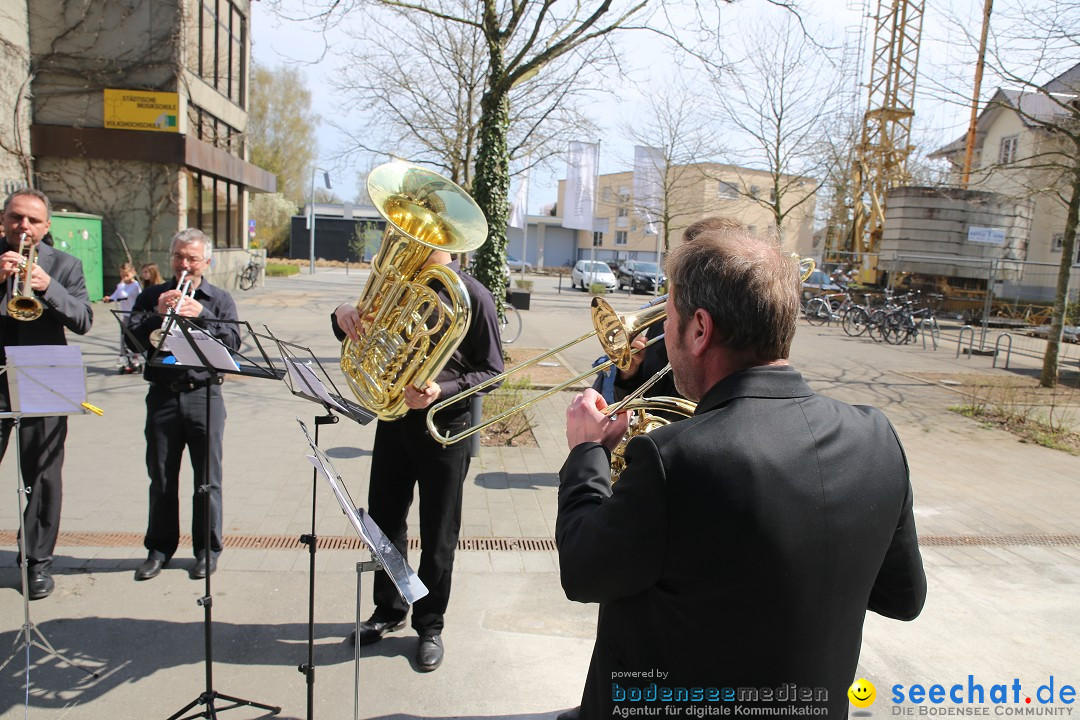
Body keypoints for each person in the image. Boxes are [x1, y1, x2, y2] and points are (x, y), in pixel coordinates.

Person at [557, 225, 927, 719]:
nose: (662, 336)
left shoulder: (672, 457)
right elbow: (903, 597)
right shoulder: (877, 435)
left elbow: (583, 574)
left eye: (667, 319)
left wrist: (586, 453)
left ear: (700, 329)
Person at [331, 248, 503, 672]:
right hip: (393, 420)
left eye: (429, 237)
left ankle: (429, 625)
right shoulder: (397, 286)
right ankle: (388, 611)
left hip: (445, 429)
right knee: (385, 524)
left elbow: (493, 370)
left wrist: (440, 390)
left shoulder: (473, 295)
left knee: (438, 532)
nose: (416, 244)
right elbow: (359, 332)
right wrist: (341, 313)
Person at [127, 229, 239, 581]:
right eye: (179, 257)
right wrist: (156, 316)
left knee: (208, 479)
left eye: (192, 258)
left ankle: (207, 550)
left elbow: (234, 345)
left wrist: (203, 314)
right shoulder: (150, 295)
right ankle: (159, 549)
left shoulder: (218, 299)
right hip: (162, 395)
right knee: (160, 477)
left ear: (207, 262)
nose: (185, 265)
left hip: (204, 393)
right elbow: (128, 339)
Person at [0, 188, 93, 600]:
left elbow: (84, 319)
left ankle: (36, 563)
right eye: (16, 218)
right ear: (3, 220)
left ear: (47, 226)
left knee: (43, 477)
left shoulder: (66, 265)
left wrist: (48, 287)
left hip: (45, 377)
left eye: (33, 221)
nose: (24, 227)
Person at [103, 261, 143, 373]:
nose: (124, 278)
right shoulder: (123, 285)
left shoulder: (135, 286)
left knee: (134, 337)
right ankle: (123, 357)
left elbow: (124, 295)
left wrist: (121, 285)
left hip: (135, 315)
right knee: (123, 337)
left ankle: (135, 358)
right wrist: (109, 298)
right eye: (122, 275)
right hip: (125, 315)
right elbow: (116, 295)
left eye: (126, 275)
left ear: (133, 273)